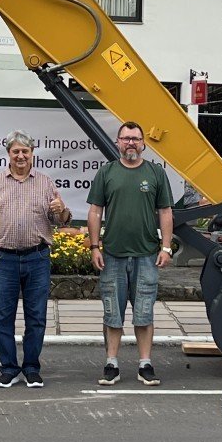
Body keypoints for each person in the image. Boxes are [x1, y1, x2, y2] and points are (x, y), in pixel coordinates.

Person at [0, 132, 70, 388]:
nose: (21, 156)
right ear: (8, 154)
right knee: (4, 316)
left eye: (25, 151)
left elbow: (61, 219)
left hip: (37, 257)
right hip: (4, 259)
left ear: (32, 153)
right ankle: (9, 368)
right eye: (16, 151)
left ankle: (32, 368)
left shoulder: (46, 183)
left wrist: (63, 211)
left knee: (36, 316)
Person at [86, 121, 176, 387]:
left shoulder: (156, 174)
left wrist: (166, 247)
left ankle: (145, 364)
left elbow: (165, 212)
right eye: (125, 139)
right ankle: (111, 364)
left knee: (144, 312)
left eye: (135, 139)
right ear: (118, 143)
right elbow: (95, 211)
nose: (131, 143)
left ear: (144, 143)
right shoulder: (107, 173)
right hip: (112, 254)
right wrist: (94, 247)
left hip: (147, 254)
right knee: (112, 313)